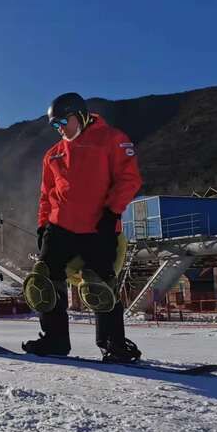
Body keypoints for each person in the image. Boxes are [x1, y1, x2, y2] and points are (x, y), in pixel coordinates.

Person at [22, 92, 143, 363]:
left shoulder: (112, 139)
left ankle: (113, 345)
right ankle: (54, 340)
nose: (60, 128)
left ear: (82, 115)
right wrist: (43, 227)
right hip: (59, 228)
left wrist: (112, 212)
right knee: (44, 281)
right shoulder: (52, 155)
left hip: (99, 226)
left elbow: (129, 178)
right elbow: (46, 195)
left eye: (64, 121)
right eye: (55, 125)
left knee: (100, 285)